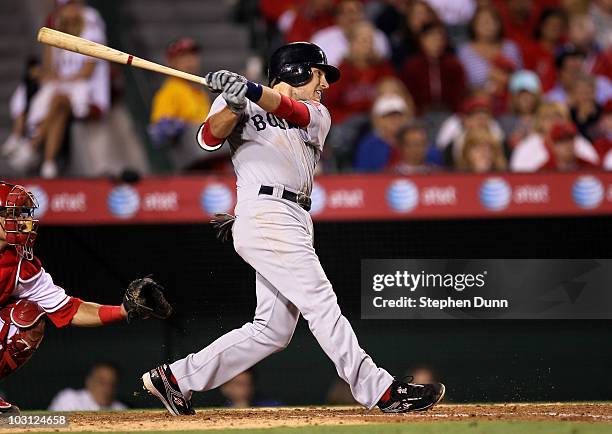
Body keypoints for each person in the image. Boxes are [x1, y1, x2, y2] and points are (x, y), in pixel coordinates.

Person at [141, 42, 445, 416]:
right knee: (320, 301)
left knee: (271, 330)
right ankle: (381, 391)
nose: (325, 84)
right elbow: (207, 139)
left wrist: (249, 91)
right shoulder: (237, 100)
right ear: (298, 72)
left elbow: (291, 110)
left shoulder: (318, 113)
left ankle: (176, 379)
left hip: (296, 215)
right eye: (319, 74)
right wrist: (235, 104)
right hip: (264, 210)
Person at [0, 182, 171, 414]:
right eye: (13, 214)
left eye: (22, 214)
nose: (23, 221)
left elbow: (68, 309)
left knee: (26, 319)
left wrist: (122, 310)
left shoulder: (20, 264)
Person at [25, 0, 110, 178]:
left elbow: (87, 73)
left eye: (73, 5)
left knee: (58, 100)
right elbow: (50, 69)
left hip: (88, 93)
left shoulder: (91, 31)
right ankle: (48, 163)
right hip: (63, 92)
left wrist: (61, 80)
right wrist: (47, 74)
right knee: (59, 108)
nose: (71, 10)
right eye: (66, 7)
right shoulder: (56, 33)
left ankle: (32, 145)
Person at [149, 38, 225, 172]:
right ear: (171, 61)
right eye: (184, 56)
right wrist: (180, 126)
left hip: (210, 156)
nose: (190, 60)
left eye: (193, 55)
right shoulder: (169, 90)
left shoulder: (200, 91)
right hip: (189, 163)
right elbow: (157, 130)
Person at [401, 22, 466, 116]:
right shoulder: (412, 66)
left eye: (440, 39)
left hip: (450, 113)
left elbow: (459, 94)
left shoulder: (454, 65)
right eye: (432, 39)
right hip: (421, 114)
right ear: (422, 40)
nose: (436, 43)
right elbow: (408, 93)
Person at [510, 102, 599, 171]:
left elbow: (596, 171)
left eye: (558, 117)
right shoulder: (526, 147)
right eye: (548, 118)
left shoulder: (580, 142)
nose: (553, 122)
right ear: (540, 122)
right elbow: (519, 177)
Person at [457, 6, 523, 90]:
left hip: (509, 97)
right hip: (477, 98)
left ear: (499, 24)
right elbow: (462, 83)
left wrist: (505, 78)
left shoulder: (511, 47)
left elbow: (521, 78)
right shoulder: (464, 51)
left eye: (493, 21)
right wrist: (489, 76)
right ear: (473, 25)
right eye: (484, 22)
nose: (488, 25)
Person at [310, 0, 391, 67]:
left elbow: (382, 70)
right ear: (338, 16)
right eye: (348, 12)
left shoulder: (378, 36)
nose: (352, 17)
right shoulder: (322, 38)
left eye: (357, 12)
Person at [353, 94, 411, 172]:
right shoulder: (368, 145)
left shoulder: (415, 141)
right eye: (389, 116)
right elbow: (362, 175)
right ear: (378, 119)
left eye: (398, 116)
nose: (395, 120)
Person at [49, 362, 126, 411]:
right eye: (101, 382)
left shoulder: (121, 409)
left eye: (112, 384)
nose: (107, 389)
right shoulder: (69, 399)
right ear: (89, 381)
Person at [498, 70, 542, 149]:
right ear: (513, 98)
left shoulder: (544, 118)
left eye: (529, 95)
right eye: (521, 95)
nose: (526, 99)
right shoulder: (504, 122)